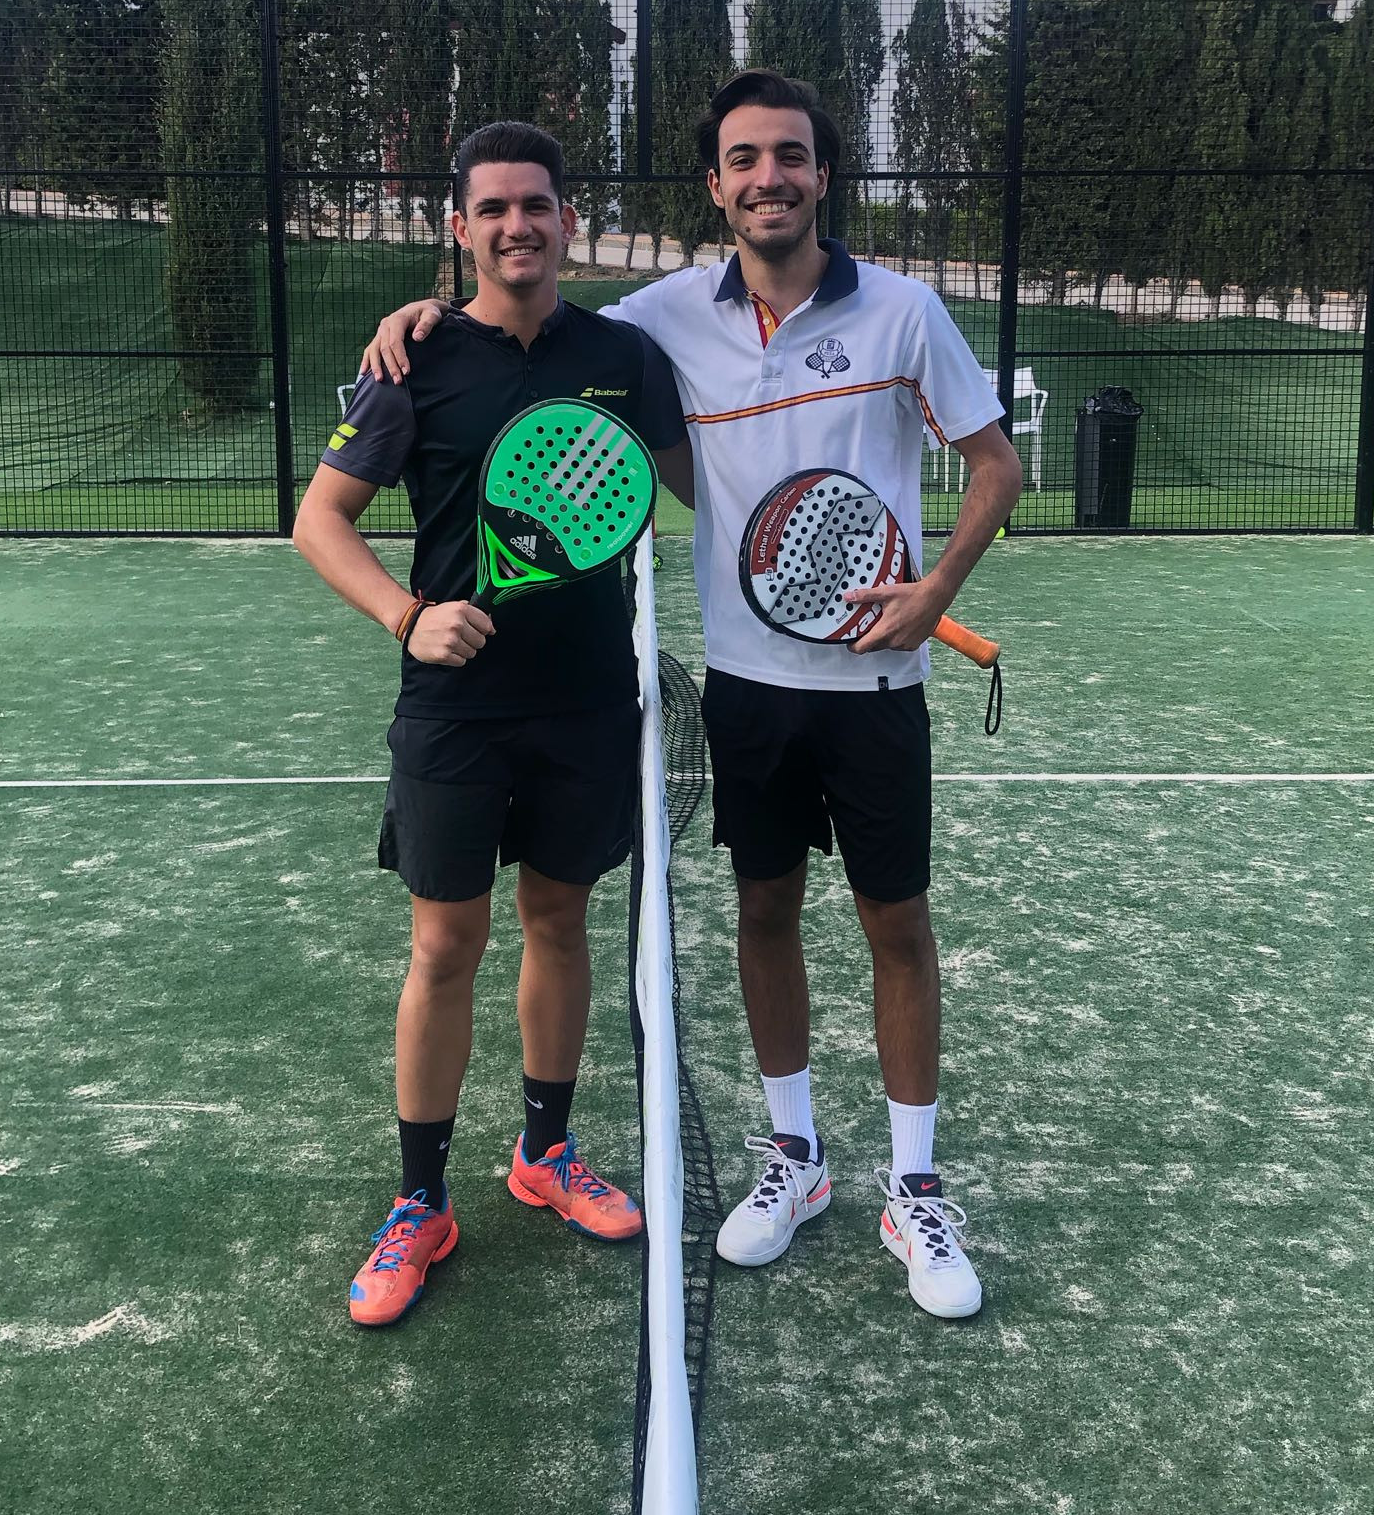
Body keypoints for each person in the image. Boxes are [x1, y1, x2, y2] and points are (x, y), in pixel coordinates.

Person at [362, 72, 1023, 1320]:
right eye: (744, 160)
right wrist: (425, 311)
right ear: (716, 187)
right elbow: (529, 308)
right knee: (765, 912)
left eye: (790, 156)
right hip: (746, 683)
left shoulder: (904, 311)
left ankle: (917, 1187)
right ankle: (795, 1158)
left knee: (897, 926)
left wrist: (936, 588)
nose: (769, 177)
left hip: (877, 681)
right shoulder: (661, 317)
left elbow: (996, 464)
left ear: (823, 174)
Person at [296, 120, 692, 1329]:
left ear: (569, 219)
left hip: (587, 701)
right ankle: (420, 1203)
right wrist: (408, 616)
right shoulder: (412, 361)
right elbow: (320, 520)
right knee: (445, 945)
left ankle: (544, 1155)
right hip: (454, 711)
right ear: (460, 226)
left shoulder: (625, 356)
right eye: (495, 208)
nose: (519, 225)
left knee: (558, 924)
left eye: (538, 204)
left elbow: (694, 479)